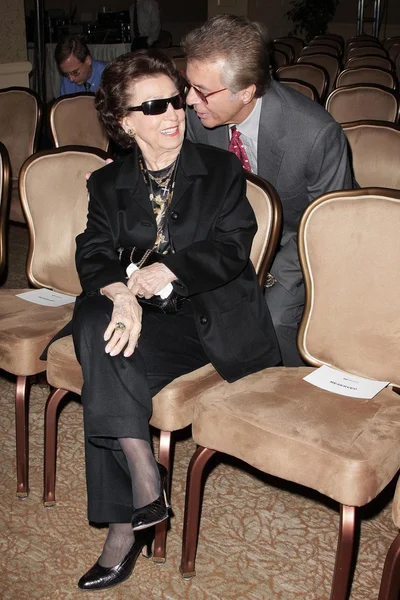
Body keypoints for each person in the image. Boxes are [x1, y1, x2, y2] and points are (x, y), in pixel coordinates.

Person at [72, 48, 280, 591]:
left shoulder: (219, 169)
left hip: (202, 319)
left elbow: (233, 249)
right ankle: (144, 481)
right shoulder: (106, 183)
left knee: (100, 353)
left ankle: (125, 522)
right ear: (124, 122)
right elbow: (92, 253)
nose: (173, 114)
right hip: (138, 318)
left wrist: (167, 270)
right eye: (154, 106)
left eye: (175, 100)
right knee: (100, 318)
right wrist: (122, 296)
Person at [181, 14, 354, 367]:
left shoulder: (315, 135)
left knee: (271, 320)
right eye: (189, 85)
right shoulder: (205, 120)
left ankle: (289, 396)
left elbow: (329, 231)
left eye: (201, 91)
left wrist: (267, 269)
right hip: (227, 234)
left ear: (245, 92)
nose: (188, 100)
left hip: (295, 241)